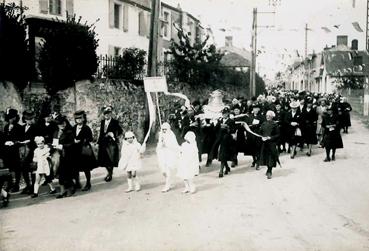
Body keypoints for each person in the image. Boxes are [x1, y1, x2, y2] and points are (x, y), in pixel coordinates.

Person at [72, 110, 96, 191]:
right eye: (77, 118)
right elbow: (71, 136)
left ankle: (88, 183)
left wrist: (82, 140)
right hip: (75, 150)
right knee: (75, 167)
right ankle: (77, 183)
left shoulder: (86, 128)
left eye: (80, 118)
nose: (78, 120)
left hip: (84, 149)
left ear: (83, 119)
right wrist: (73, 140)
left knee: (86, 167)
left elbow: (90, 138)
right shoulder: (74, 127)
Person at [97, 106, 123, 182]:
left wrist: (114, 135)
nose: (106, 115)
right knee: (104, 159)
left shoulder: (115, 122)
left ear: (110, 114)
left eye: (108, 114)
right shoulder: (102, 122)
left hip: (111, 143)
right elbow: (101, 133)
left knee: (111, 159)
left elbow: (120, 131)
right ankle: (108, 172)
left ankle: (110, 174)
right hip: (103, 143)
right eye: (105, 114)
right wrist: (99, 142)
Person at [52, 115, 75, 199]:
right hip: (58, 155)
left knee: (67, 173)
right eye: (60, 124)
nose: (62, 125)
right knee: (60, 173)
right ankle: (62, 191)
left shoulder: (69, 132)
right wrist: (53, 146)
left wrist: (62, 146)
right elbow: (54, 142)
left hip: (67, 155)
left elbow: (72, 144)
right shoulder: (55, 132)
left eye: (63, 123)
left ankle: (70, 188)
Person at [18, 110, 39, 195]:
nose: (29, 121)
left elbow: (38, 139)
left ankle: (33, 187)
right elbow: (19, 137)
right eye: (27, 119)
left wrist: (30, 141)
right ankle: (28, 185)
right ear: (25, 119)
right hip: (24, 151)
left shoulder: (36, 127)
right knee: (24, 168)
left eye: (31, 119)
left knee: (32, 168)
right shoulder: (22, 128)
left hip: (33, 150)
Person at [3, 108, 22, 193]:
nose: (11, 119)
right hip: (7, 150)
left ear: (16, 118)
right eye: (10, 118)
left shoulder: (19, 127)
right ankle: (10, 184)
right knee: (10, 168)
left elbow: (21, 139)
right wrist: (6, 142)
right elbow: (5, 137)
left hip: (16, 150)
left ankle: (16, 185)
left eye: (13, 117)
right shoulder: (6, 127)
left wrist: (14, 142)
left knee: (17, 168)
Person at [156, 122, 180, 192]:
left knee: (168, 171)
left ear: (168, 129)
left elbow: (174, 145)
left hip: (170, 155)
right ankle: (169, 181)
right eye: (163, 129)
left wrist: (166, 144)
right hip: (163, 155)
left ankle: (167, 185)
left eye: (165, 129)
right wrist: (161, 143)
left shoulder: (171, 135)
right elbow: (159, 146)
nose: (164, 131)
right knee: (163, 172)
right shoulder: (161, 135)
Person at [259, 111, 280, 179]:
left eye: (269, 115)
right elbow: (260, 132)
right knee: (266, 157)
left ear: (272, 116)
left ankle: (269, 171)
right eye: (267, 115)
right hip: (264, 143)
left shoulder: (275, 124)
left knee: (271, 157)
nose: (267, 117)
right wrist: (261, 137)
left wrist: (270, 138)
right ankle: (268, 169)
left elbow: (278, 135)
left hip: (271, 143)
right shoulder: (263, 124)